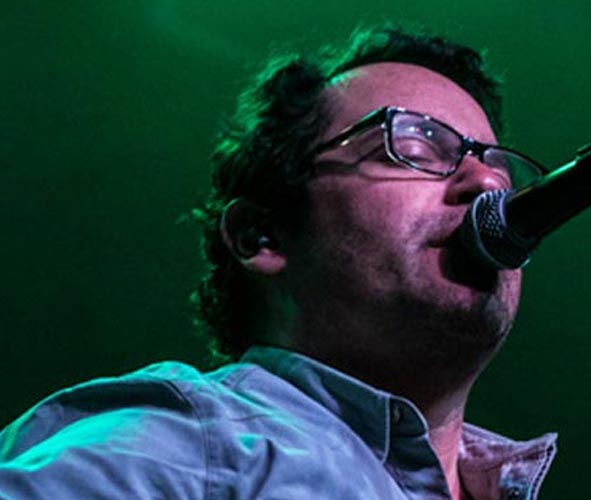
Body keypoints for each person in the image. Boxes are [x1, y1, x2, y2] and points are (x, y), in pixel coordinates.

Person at [0, 26, 556, 499]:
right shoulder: (198, 443)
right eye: (414, 147)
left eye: (499, 169)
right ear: (261, 236)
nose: (487, 183)